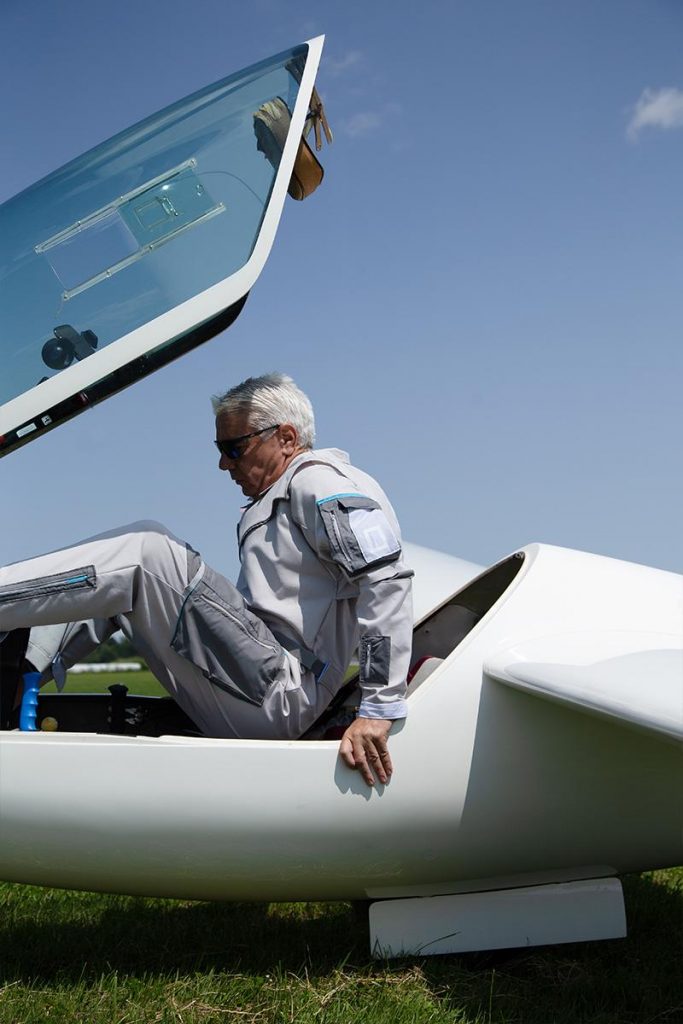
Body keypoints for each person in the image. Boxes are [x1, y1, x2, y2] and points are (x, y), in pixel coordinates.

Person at [0, 373, 413, 786]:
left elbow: (386, 579)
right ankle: (16, 676)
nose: (224, 464)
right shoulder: (285, 492)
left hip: (282, 692)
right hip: (260, 683)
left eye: (234, 448)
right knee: (124, 587)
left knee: (147, 555)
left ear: (286, 438)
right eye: (221, 449)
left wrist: (379, 706)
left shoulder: (317, 480)